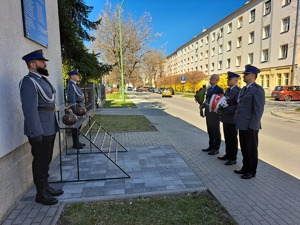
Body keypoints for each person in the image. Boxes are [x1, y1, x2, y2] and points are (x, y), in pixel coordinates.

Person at [19, 49, 63, 205]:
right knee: (40, 161)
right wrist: (35, 132)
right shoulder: (28, 82)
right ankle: (41, 194)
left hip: (49, 127)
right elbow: (30, 110)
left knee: (46, 160)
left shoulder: (42, 80)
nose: (45, 64)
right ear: (32, 64)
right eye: (41, 61)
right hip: (40, 130)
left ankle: (46, 186)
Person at [234, 65, 265, 179]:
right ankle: (245, 167)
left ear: (252, 76)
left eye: (246, 74)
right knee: (244, 148)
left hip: (250, 126)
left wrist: (254, 126)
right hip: (242, 124)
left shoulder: (257, 90)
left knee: (251, 149)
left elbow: (258, 110)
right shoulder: (243, 89)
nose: (244, 76)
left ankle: (252, 171)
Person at [218, 72, 241, 165]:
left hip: (233, 119)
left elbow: (237, 105)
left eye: (229, 79)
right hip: (226, 118)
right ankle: (228, 154)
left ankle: (233, 158)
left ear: (235, 80)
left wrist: (227, 108)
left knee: (232, 139)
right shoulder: (228, 90)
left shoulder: (238, 91)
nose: (228, 80)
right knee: (227, 138)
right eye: (228, 79)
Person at [202, 74, 224, 155]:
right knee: (210, 130)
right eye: (210, 78)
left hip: (215, 113)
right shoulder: (209, 89)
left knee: (215, 130)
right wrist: (203, 104)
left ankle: (216, 148)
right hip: (208, 113)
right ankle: (211, 146)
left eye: (213, 78)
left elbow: (220, 101)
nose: (211, 79)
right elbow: (208, 100)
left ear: (217, 80)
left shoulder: (219, 89)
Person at [66, 70, 86, 149]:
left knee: (79, 126)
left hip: (80, 107)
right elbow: (71, 99)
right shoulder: (71, 85)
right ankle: (75, 143)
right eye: (76, 75)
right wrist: (74, 112)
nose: (78, 76)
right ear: (71, 76)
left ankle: (77, 141)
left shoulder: (75, 85)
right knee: (75, 126)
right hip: (76, 108)